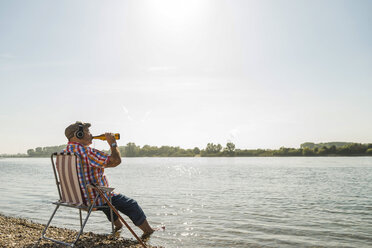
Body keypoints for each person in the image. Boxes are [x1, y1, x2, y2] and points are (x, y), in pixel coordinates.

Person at [64, 121, 157, 237]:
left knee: (107, 200)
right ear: (78, 135)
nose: (91, 134)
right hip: (92, 198)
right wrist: (113, 143)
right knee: (131, 204)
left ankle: (118, 227)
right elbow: (116, 161)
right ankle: (149, 231)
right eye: (87, 131)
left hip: (74, 198)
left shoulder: (64, 153)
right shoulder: (85, 152)